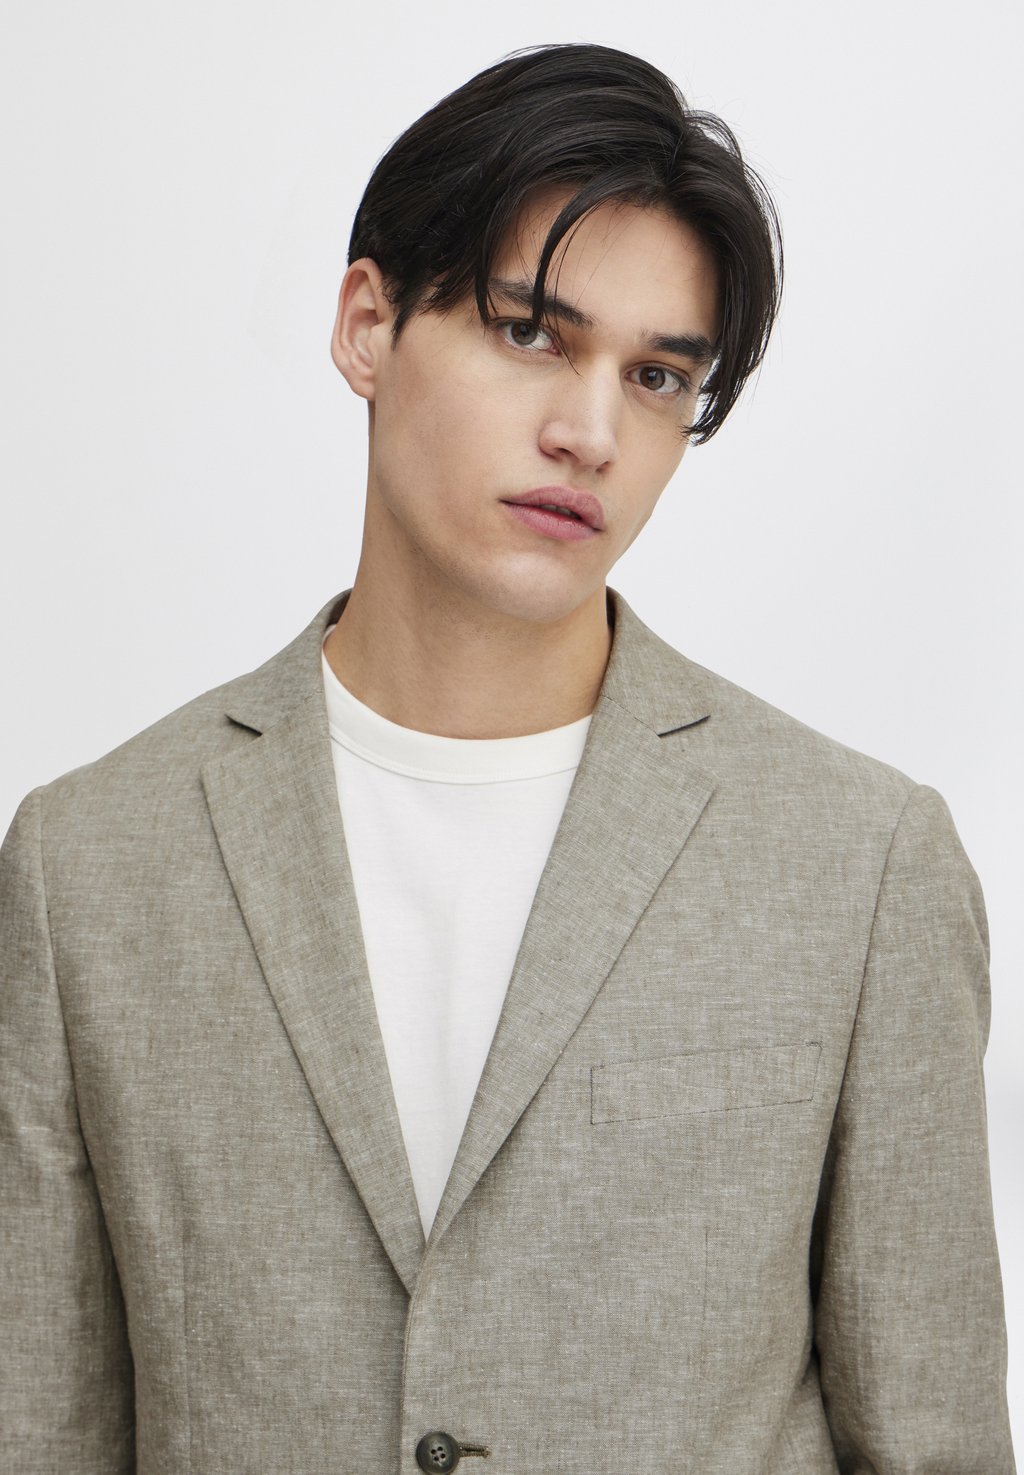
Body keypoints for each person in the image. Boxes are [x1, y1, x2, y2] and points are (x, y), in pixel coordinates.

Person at [0, 41, 1014, 1475]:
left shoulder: (862, 865)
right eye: (532, 332)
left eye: (656, 376)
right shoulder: (89, 865)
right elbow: (40, 1429)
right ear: (368, 325)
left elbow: (936, 1445)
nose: (591, 433)